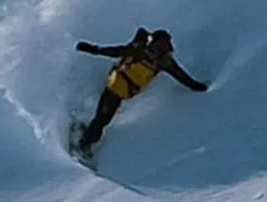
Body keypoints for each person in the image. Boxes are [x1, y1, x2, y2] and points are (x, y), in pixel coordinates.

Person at [75, 27, 207, 157]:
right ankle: (85, 143)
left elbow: (182, 77)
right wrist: (93, 49)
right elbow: (116, 51)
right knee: (103, 118)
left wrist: (198, 87)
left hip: (124, 90)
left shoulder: (164, 62)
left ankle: (86, 134)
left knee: (104, 117)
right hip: (114, 86)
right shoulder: (141, 51)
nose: (155, 50)